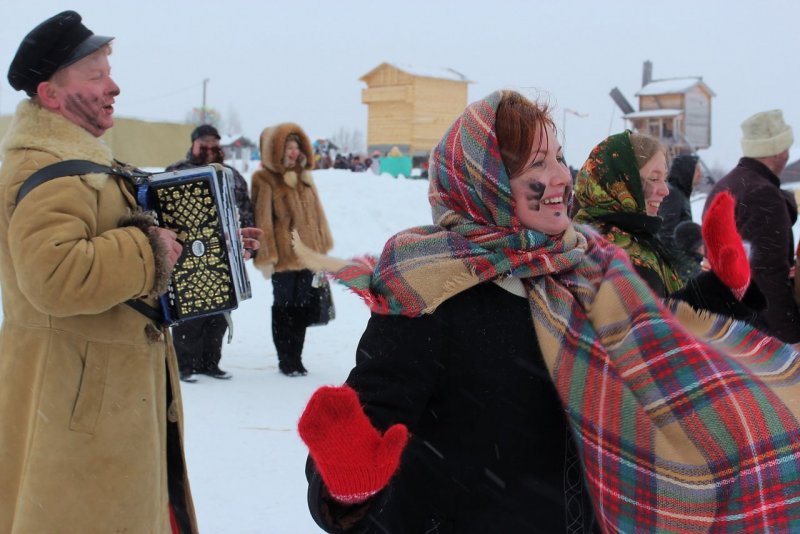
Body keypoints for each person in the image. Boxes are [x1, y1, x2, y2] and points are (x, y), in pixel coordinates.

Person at [296, 90, 800, 532]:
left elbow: (650, 334)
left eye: (559, 157)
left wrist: (721, 289)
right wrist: (345, 489)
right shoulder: (429, 290)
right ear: (486, 181)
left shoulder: (581, 266)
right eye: (537, 164)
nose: (561, 176)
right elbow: (367, 428)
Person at [0, 11, 196, 532]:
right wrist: (148, 248)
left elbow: (108, 251)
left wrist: (202, 248)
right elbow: (54, 276)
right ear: (51, 95)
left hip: (90, 394)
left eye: (109, 72)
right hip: (77, 403)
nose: (114, 86)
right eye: (96, 75)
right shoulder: (45, 169)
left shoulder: (75, 161)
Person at [165, 124, 256, 382]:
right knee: (190, 312)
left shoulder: (232, 176)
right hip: (188, 256)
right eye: (204, 142)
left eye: (214, 143)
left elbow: (245, 211)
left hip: (224, 256)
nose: (210, 147)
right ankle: (184, 365)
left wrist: (246, 246)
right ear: (193, 144)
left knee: (220, 311)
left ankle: (210, 362)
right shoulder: (176, 172)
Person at [704, 110, 800, 344]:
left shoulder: (726, 185)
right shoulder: (762, 193)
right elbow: (769, 274)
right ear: (778, 151)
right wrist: (791, 336)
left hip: (728, 321)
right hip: (759, 331)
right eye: (786, 146)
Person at [251, 123, 333, 376]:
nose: (294, 152)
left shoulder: (305, 178)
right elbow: (262, 220)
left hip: (307, 257)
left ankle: (296, 357)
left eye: (296, 147)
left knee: (301, 307)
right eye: (288, 147)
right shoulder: (264, 179)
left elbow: (318, 217)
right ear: (276, 151)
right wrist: (267, 256)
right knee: (284, 308)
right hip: (284, 258)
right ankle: (285, 359)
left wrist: (321, 249)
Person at [573, 130, 683, 297]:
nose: (665, 191)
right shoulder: (625, 263)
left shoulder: (584, 235)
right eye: (654, 179)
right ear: (620, 182)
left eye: (665, 178)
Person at [656, 153, 701, 250]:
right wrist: (683, 257)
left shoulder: (680, 193)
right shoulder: (673, 195)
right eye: (697, 169)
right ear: (687, 170)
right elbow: (666, 234)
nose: (700, 173)